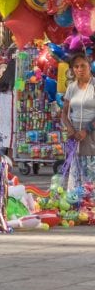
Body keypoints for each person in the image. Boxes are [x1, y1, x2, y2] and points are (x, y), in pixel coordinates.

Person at [61, 53, 95, 189]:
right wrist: (70, 129)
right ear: (72, 70)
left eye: (83, 65)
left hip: (91, 133)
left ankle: (91, 203)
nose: (80, 69)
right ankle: (76, 200)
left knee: (90, 168)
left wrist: (86, 130)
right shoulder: (71, 87)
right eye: (76, 66)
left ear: (89, 66)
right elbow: (64, 112)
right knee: (76, 168)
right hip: (74, 135)